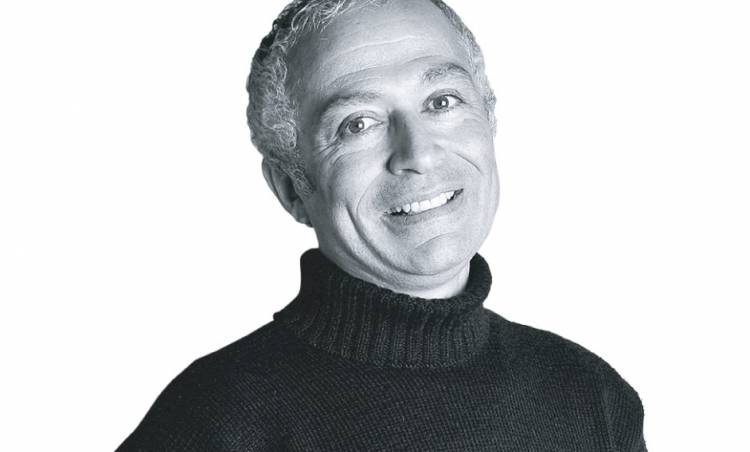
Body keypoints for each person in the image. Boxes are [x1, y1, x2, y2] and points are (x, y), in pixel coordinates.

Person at [116, 0, 647, 450]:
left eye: (441, 102)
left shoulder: (591, 395)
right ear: (292, 188)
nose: (418, 153)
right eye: (358, 124)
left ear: (488, 122)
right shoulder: (214, 421)